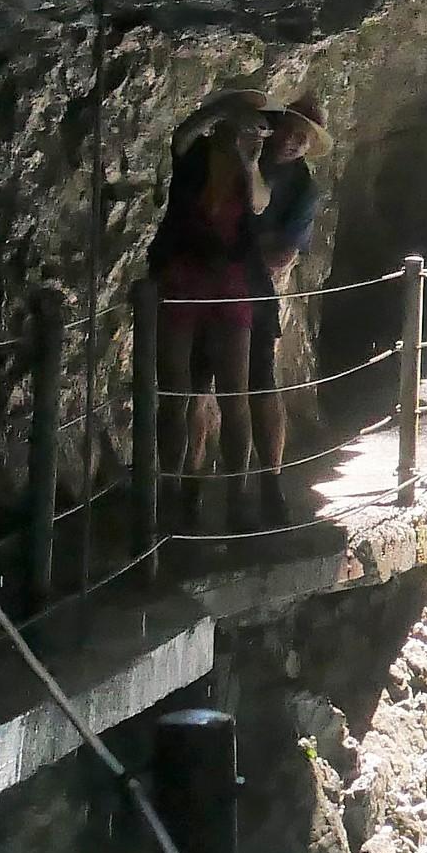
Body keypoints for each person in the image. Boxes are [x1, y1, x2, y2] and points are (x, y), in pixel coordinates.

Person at [149, 91, 269, 527]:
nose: (244, 132)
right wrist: (219, 111)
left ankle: (238, 492)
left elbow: (258, 203)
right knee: (175, 390)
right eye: (240, 123)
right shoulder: (196, 151)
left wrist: (250, 160)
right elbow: (178, 140)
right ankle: (171, 489)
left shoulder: (252, 164)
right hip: (184, 272)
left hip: (229, 278)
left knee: (234, 391)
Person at [246, 95, 327, 513]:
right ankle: (192, 487)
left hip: (256, 288)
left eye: (303, 140)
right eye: (291, 132)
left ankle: (270, 484)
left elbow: (283, 256)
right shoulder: (245, 158)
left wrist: (236, 247)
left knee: (261, 381)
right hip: (214, 285)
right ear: (275, 125)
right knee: (199, 385)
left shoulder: (303, 187)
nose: (294, 143)